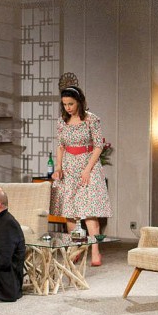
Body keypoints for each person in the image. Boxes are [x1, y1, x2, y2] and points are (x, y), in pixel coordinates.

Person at [51, 85, 113, 266]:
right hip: (69, 166)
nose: (68, 108)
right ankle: (76, 247)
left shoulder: (91, 119)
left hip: (88, 165)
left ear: (79, 102)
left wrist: (87, 169)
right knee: (70, 211)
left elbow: (98, 146)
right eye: (65, 104)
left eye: (71, 104)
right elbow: (60, 146)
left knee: (90, 211)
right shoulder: (62, 122)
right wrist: (58, 167)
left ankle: (95, 251)